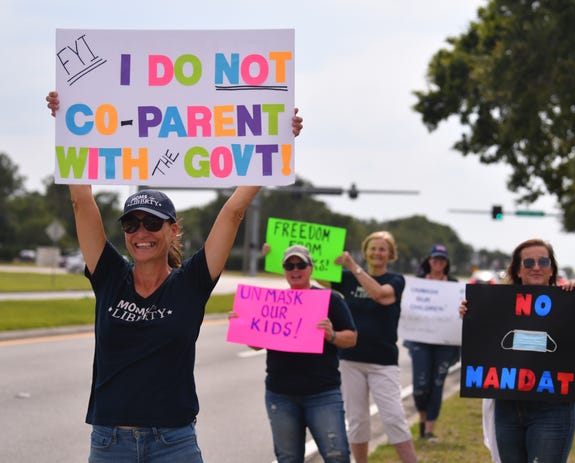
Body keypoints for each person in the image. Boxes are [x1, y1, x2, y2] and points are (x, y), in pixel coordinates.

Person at [45, 91, 302, 462]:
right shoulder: (109, 276)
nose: (141, 232)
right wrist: (67, 125)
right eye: (131, 224)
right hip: (109, 442)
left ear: (173, 230)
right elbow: (81, 202)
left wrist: (277, 144)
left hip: (173, 443)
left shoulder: (191, 282)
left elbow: (233, 211)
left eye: (152, 223)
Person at [460, 238, 575, 463]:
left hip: (552, 409)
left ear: (551, 269)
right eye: (528, 263)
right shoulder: (496, 305)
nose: (536, 267)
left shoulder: (570, 302)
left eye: (543, 262)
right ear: (518, 270)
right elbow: (483, 348)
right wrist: (471, 316)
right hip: (507, 407)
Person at [246, 244, 357, 463]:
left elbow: (352, 338)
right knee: (288, 458)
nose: (295, 270)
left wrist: (331, 335)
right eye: (289, 265)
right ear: (284, 269)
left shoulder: (330, 299)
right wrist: (243, 324)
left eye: (300, 264)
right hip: (281, 394)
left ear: (311, 268)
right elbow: (256, 346)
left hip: (322, 393)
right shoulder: (273, 302)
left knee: (338, 456)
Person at [332, 231, 418, 463]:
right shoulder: (346, 278)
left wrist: (353, 266)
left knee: (393, 418)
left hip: (383, 362)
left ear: (390, 255)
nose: (376, 253)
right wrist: (276, 256)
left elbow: (380, 295)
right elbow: (306, 272)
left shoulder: (396, 280)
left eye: (382, 249)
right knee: (357, 420)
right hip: (350, 359)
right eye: (372, 248)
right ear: (365, 250)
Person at [403, 244, 460, 442]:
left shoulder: (454, 284)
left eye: (442, 260)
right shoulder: (417, 283)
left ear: (446, 263)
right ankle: (421, 418)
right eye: (435, 259)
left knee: (437, 383)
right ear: (429, 261)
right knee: (420, 385)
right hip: (420, 340)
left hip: (445, 342)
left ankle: (428, 430)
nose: (438, 263)